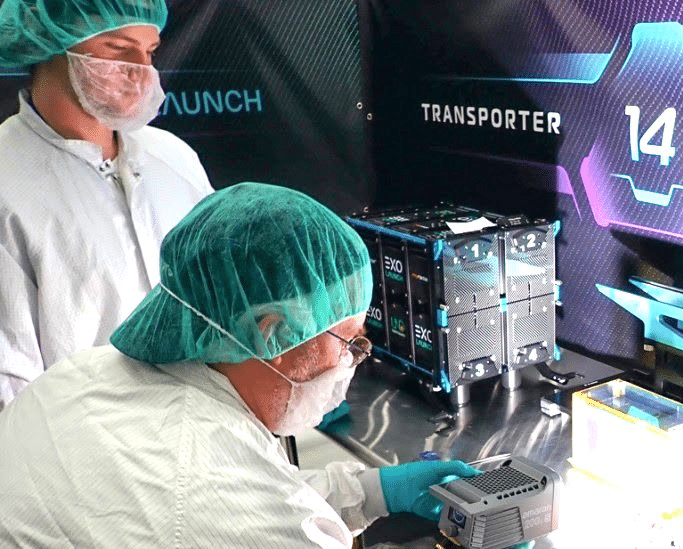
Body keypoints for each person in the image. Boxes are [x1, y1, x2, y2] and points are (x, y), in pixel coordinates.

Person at [0, 183, 488, 547]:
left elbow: (250, 489)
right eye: (349, 342)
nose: (350, 362)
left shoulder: (81, 376)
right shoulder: (207, 485)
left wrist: (373, 491)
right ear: (271, 332)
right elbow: (231, 504)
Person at [0, 0, 214, 408]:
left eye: (150, 52)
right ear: (51, 42)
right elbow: (10, 384)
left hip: (201, 425)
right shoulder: (7, 180)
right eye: (118, 49)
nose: (141, 70)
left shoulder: (173, 159)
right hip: (76, 439)